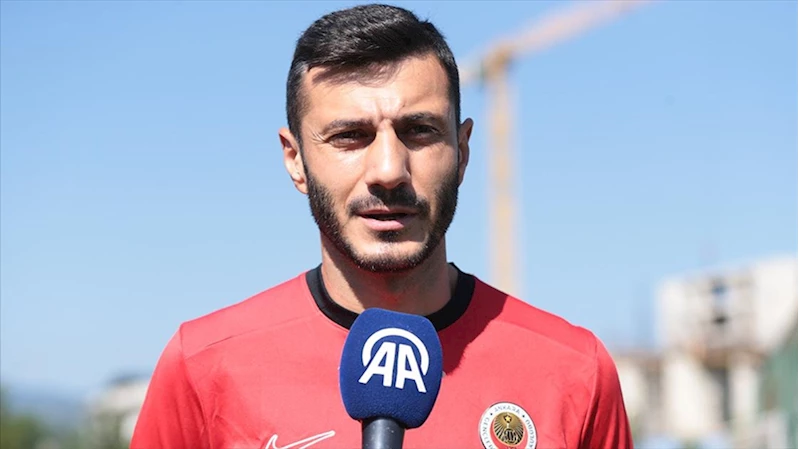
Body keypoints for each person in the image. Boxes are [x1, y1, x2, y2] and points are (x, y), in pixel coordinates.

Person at [130, 3, 633, 449]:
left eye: (420, 131)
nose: (389, 170)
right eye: (350, 136)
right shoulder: (201, 367)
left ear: (462, 151)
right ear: (295, 160)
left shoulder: (576, 370)